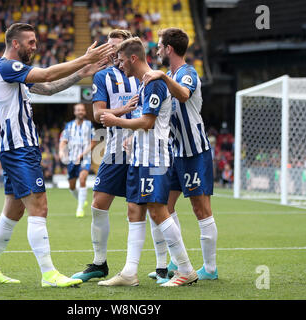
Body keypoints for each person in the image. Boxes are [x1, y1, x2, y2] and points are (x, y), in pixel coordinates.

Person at [0, 22, 112, 288]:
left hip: (17, 148)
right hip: (19, 149)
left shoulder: (17, 74)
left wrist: (82, 72)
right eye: (31, 42)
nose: (35, 46)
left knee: (12, 212)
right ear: (15, 43)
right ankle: (48, 273)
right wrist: (84, 58)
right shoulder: (6, 67)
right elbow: (48, 75)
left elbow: (48, 88)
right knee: (39, 207)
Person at [99, 37, 198, 287]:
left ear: (133, 58)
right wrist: (132, 139)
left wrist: (116, 120)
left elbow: (148, 122)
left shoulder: (154, 83)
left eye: (121, 61)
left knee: (157, 210)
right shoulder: (145, 85)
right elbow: (145, 125)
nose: (119, 65)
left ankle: (186, 269)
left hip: (155, 158)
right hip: (140, 157)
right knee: (134, 209)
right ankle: (130, 273)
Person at [143, 28, 218, 280]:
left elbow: (184, 95)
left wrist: (163, 79)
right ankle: (177, 263)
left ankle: (209, 269)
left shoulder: (187, 73)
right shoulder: (169, 75)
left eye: (159, 46)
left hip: (194, 151)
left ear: (169, 49)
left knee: (200, 208)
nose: (157, 50)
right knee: (163, 205)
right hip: (174, 152)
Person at [70, 29, 140, 282]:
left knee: (144, 207)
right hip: (114, 149)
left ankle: (163, 266)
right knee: (99, 204)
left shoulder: (145, 74)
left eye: (117, 47)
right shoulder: (102, 76)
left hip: (143, 148)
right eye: (110, 47)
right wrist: (123, 109)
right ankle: (99, 263)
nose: (112, 52)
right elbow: (98, 114)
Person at [59, 103, 96, 218]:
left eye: (82, 110)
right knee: (72, 186)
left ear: (84, 112)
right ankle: (81, 199)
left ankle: (80, 209)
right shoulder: (69, 126)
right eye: (78, 110)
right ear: (75, 112)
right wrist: (61, 151)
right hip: (72, 158)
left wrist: (83, 154)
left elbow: (93, 141)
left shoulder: (89, 125)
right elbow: (63, 141)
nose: (80, 112)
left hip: (85, 157)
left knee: (82, 178)